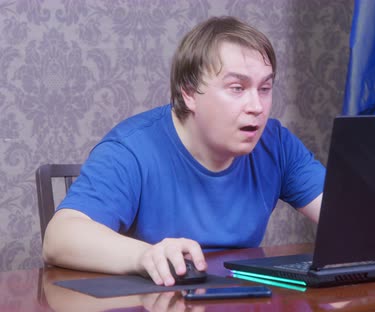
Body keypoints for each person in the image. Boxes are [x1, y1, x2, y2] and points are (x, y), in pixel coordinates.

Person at [42, 16, 325, 287]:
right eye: (237, 88)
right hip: (155, 300)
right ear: (189, 93)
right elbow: (59, 237)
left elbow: (345, 216)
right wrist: (144, 256)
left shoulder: (275, 143)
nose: (257, 106)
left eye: (265, 88)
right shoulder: (131, 148)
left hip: (240, 297)